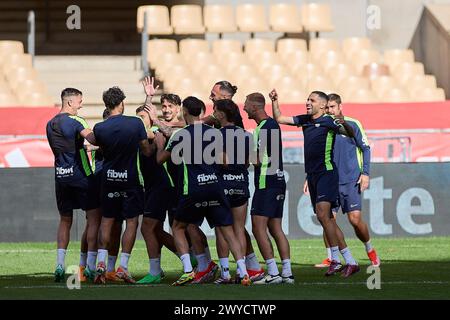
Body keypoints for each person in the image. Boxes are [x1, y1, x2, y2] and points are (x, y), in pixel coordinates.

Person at [154, 96, 251, 286]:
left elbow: (160, 160)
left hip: (194, 189)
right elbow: (224, 161)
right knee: (228, 230)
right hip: (215, 187)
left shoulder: (181, 135)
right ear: (202, 112)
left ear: (184, 112)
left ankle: (189, 270)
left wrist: (160, 145)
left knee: (178, 227)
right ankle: (243, 271)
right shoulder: (214, 133)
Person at [271, 89, 360, 277]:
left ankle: (335, 260)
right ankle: (350, 261)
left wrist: (344, 123)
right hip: (312, 175)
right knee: (327, 219)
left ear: (322, 104)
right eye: (307, 99)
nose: (307, 102)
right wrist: (275, 101)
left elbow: (350, 133)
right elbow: (279, 118)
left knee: (322, 214)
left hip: (327, 173)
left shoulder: (329, 121)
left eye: (311, 100)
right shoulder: (305, 120)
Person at [92, 86, 153, 284]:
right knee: (132, 222)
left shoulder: (100, 128)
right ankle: (123, 267)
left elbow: (101, 148)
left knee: (107, 220)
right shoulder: (135, 123)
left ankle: (100, 263)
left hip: (109, 178)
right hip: (131, 180)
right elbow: (145, 150)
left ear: (106, 105)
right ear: (122, 103)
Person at [312, 93, 380, 268]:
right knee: (327, 219)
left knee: (355, 220)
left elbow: (365, 148)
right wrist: (310, 176)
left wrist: (365, 173)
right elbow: (318, 154)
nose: (329, 110)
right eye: (327, 107)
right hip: (329, 180)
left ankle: (370, 249)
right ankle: (331, 257)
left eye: (332, 107)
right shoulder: (324, 125)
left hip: (351, 180)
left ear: (340, 107)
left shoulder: (352, 124)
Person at [46, 88, 101, 283]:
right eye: (79, 102)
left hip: (61, 176)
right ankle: (90, 267)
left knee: (65, 220)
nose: (81, 105)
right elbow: (93, 138)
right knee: (94, 218)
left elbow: (69, 147)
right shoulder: (77, 121)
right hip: (82, 176)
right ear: (70, 103)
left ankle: (60, 265)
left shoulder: (50, 124)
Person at [242, 92, 294, 285]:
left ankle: (272, 272)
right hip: (277, 181)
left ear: (255, 107)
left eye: (246, 104)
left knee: (258, 227)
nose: (244, 107)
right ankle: (287, 273)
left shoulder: (264, 128)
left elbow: (257, 160)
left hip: (267, 182)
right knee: (275, 228)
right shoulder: (271, 125)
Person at [211, 99, 264, 284]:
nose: (213, 114)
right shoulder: (246, 135)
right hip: (241, 184)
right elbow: (254, 161)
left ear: (221, 114)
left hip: (222, 186)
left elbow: (222, 161)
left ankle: (225, 273)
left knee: (222, 230)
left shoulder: (216, 135)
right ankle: (242, 272)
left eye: (215, 111)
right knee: (239, 229)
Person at [135, 103, 178, 284]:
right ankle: (192, 258)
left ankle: (156, 270)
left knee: (148, 228)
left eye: (142, 118)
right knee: (155, 229)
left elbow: (148, 146)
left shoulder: (154, 131)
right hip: (152, 186)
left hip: (161, 186)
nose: (138, 122)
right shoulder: (140, 134)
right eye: (136, 119)